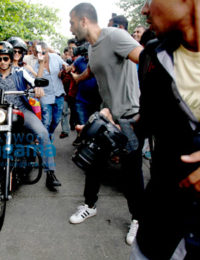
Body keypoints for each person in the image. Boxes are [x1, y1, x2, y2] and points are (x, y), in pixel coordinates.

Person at [130, 0, 200, 259]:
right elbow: (147, 119)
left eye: (150, 0)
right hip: (158, 228)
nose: (144, 10)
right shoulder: (152, 55)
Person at [68, 2, 144, 246]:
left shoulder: (115, 36)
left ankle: (138, 219)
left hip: (131, 117)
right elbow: (93, 70)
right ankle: (89, 206)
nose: (70, 28)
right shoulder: (91, 47)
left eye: (71, 22)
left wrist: (146, 109)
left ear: (83, 20)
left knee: (131, 172)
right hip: (107, 116)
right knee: (94, 163)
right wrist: (77, 77)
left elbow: (148, 62)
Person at [0, 41, 61, 191]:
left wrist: (37, 87)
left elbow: (33, 82)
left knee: (43, 134)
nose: (2, 62)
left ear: (11, 58)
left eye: (5, 58)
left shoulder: (21, 72)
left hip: (20, 110)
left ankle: (50, 172)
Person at [35, 41, 67, 139]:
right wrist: (41, 64)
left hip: (58, 94)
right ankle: (45, 143)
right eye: (39, 53)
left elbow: (65, 66)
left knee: (56, 120)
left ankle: (49, 135)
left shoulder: (56, 58)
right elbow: (38, 81)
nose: (41, 55)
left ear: (48, 51)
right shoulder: (36, 65)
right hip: (45, 96)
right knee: (46, 121)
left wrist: (64, 70)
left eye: (43, 52)